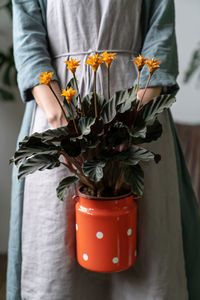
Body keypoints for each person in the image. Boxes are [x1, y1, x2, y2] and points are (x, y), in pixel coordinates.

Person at [7, 0, 200, 299]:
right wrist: (58, 116)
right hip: (56, 110)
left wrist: (133, 118)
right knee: (55, 260)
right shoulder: (57, 116)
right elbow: (28, 36)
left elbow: (160, 38)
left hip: (138, 111)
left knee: (149, 259)